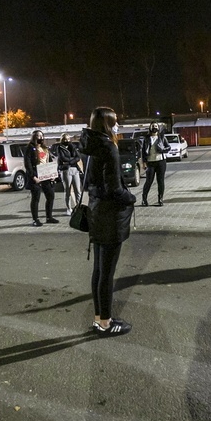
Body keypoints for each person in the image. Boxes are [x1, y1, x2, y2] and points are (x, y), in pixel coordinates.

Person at [80, 107, 137, 337]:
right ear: (107, 124)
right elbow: (114, 189)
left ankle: (98, 318)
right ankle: (106, 323)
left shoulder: (89, 146)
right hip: (110, 216)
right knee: (107, 272)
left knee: (98, 270)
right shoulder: (108, 147)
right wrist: (131, 197)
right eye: (115, 122)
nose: (118, 126)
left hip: (96, 213)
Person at [24, 130, 59, 226]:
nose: (40, 137)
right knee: (36, 198)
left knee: (50, 195)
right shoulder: (30, 148)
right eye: (38, 136)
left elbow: (50, 162)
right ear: (34, 137)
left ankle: (49, 217)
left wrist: (53, 175)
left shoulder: (45, 148)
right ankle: (35, 219)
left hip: (46, 175)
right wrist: (33, 176)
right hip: (36, 176)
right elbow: (28, 163)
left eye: (41, 135)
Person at [139, 122, 171, 206]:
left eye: (156, 126)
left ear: (158, 128)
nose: (154, 128)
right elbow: (143, 151)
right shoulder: (146, 138)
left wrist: (163, 149)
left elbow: (168, 147)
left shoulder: (162, 137)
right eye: (152, 126)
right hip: (150, 162)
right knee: (148, 181)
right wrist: (144, 163)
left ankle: (160, 199)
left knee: (160, 181)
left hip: (161, 161)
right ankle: (144, 199)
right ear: (150, 128)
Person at [55, 133, 82, 215]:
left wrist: (69, 161)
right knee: (68, 190)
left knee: (78, 190)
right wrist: (72, 160)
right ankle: (68, 208)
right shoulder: (59, 148)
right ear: (62, 140)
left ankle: (79, 207)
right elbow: (63, 158)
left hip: (75, 169)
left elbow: (78, 157)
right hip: (65, 170)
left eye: (68, 139)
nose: (66, 140)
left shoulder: (72, 146)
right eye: (65, 139)